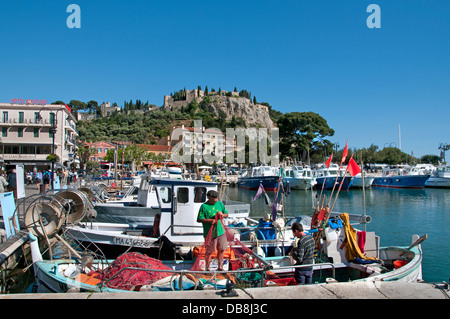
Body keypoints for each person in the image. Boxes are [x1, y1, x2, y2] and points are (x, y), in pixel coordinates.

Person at [196, 190, 229, 271]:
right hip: (210, 233)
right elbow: (199, 219)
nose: (216, 199)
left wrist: (222, 215)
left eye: (217, 197)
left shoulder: (220, 204)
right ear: (209, 198)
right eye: (214, 198)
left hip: (221, 231)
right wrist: (210, 221)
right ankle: (208, 267)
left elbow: (226, 214)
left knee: (221, 249)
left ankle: (220, 267)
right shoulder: (204, 206)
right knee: (209, 251)